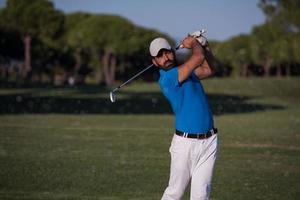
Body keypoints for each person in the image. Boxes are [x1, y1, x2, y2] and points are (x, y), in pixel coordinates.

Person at [149, 35, 218, 200]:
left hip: (209, 141)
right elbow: (198, 57)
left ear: (173, 52)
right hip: (185, 145)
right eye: (160, 56)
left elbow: (209, 69)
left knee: (201, 196)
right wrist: (194, 44)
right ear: (154, 62)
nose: (165, 58)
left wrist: (205, 46)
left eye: (167, 53)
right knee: (174, 194)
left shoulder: (188, 73)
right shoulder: (168, 78)